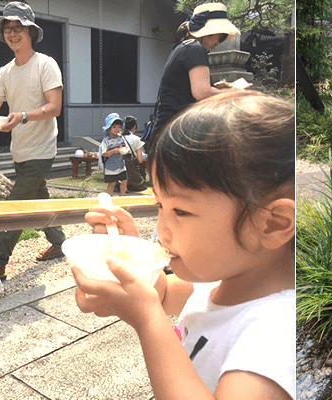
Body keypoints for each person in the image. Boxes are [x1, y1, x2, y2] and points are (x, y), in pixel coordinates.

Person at [73, 91, 296, 399]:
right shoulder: (221, 279)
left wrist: (149, 321)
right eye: (159, 206)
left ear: (272, 224)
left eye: (180, 211)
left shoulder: (276, 336)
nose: (161, 231)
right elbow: (159, 293)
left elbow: (153, 307)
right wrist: (131, 256)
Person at [0, 1, 65, 279]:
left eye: (17, 28)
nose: (12, 34)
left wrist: (24, 116)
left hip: (43, 148)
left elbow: (55, 107)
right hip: (20, 149)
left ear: (30, 32)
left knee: (16, 206)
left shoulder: (45, 64)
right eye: (7, 29)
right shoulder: (5, 71)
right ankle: (60, 242)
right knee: (39, 200)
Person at [148, 3, 241, 144]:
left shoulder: (182, 47)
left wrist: (215, 87)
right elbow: (201, 93)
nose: (220, 41)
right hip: (176, 134)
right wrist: (236, 94)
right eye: (221, 35)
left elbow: (183, 89)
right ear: (209, 31)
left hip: (166, 131)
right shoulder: (196, 49)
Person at [97, 113, 128, 196]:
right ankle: (110, 198)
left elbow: (126, 147)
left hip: (121, 165)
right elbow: (104, 153)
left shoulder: (122, 138)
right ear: (109, 129)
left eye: (118, 127)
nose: (117, 129)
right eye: (114, 127)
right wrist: (113, 151)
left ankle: (122, 196)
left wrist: (125, 150)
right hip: (110, 167)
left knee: (124, 181)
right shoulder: (106, 141)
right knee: (112, 183)